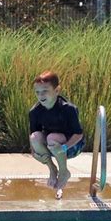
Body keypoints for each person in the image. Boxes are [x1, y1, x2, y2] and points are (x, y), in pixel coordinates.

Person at [29, 71, 85, 199]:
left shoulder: (68, 109)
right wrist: (34, 153)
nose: (40, 95)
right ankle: (52, 169)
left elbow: (78, 135)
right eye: (37, 92)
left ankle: (64, 171)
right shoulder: (34, 112)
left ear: (57, 90)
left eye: (45, 91)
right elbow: (33, 136)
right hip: (53, 147)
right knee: (35, 138)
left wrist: (64, 147)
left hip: (72, 147)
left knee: (52, 138)